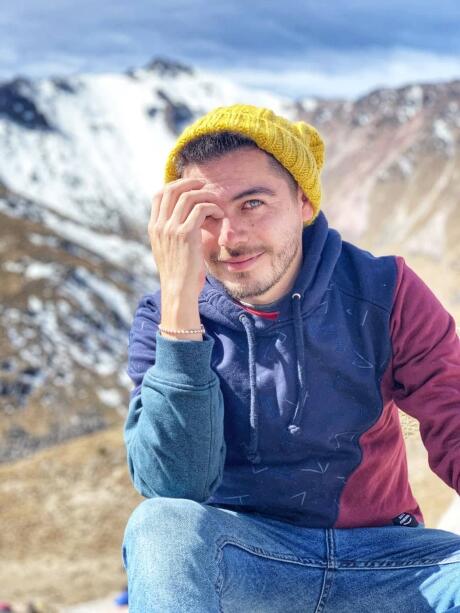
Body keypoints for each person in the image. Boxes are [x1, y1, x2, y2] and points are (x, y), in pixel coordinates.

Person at [122, 104, 460, 612]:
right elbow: (175, 484)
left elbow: (453, 420)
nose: (230, 237)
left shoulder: (384, 291)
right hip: (248, 565)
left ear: (304, 202)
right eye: (206, 216)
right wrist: (180, 308)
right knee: (159, 526)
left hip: (387, 562)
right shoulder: (165, 318)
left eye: (252, 203)